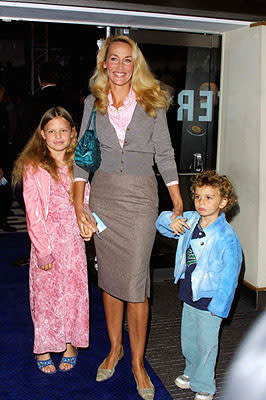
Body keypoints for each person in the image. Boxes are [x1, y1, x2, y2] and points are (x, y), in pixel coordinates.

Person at [73, 35, 183, 400]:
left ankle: (137, 362)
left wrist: (177, 201)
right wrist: (79, 206)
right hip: (103, 199)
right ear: (104, 63)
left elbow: (164, 154)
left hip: (139, 200)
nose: (120, 67)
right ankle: (115, 349)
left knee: (136, 283)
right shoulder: (93, 102)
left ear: (135, 64)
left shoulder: (153, 102)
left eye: (127, 60)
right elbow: (83, 159)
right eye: (113, 59)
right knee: (109, 279)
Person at [12, 107, 89, 374]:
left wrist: (87, 224)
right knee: (46, 297)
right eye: (52, 131)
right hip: (47, 241)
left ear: (72, 133)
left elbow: (86, 200)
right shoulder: (33, 167)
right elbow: (33, 214)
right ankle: (43, 347)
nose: (58, 136)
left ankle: (69, 344)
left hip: (73, 241)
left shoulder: (80, 164)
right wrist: (43, 251)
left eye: (63, 131)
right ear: (42, 134)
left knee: (73, 294)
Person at [156, 170, 242, 400]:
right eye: (197, 197)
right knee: (189, 338)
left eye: (209, 197)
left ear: (223, 202)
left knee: (207, 344)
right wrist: (171, 221)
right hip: (189, 293)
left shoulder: (226, 236)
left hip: (210, 299)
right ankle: (191, 371)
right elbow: (162, 225)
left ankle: (205, 384)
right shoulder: (192, 220)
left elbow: (230, 276)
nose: (201, 203)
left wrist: (220, 307)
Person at [0, 82, 17, 232]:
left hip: (5, 154)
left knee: (4, 188)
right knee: (4, 189)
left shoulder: (5, 108)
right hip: (2, 158)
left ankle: (3, 218)